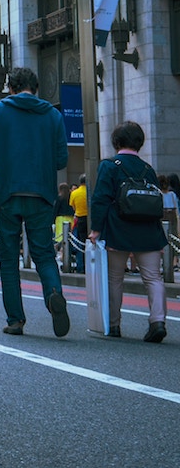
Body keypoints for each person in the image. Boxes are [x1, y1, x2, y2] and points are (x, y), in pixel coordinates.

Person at [0, 67, 70, 338]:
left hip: (7, 192)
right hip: (42, 193)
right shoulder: (53, 115)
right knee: (43, 254)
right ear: (36, 86)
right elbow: (62, 160)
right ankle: (53, 293)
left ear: (11, 87)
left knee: (8, 259)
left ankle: (16, 319)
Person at [88, 121, 167, 341]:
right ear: (140, 143)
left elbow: (101, 199)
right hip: (149, 231)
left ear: (116, 142)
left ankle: (113, 325)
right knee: (153, 278)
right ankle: (157, 322)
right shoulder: (148, 169)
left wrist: (96, 229)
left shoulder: (109, 166)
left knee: (115, 278)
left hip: (118, 229)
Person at [69, 175, 88, 272]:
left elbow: (73, 207)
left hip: (79, 218)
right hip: (90, 219)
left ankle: (81, 266)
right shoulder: (91, 191)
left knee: (80, 243)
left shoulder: (74, 193)